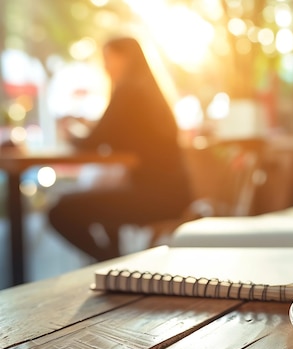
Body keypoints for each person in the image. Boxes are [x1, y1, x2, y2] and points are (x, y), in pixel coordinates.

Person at [48, 37, 192, 261]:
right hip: (173, 195)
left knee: (59, 212)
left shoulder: (129, 91)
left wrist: (70, 131)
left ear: (126, 58)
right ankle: (114, 264)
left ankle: (109, 263)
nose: (105, 66)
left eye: (108, 58)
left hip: (154, 197)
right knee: (102, 209)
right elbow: (112, 136)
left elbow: (93, 143)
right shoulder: (149, 92)